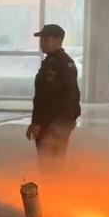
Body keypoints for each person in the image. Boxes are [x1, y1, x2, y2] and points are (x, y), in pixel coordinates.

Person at [26, 23, 81, 163]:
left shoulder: (58, 63)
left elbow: (49, 97)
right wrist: (71, 118)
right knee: (55, 160)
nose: (42, 43)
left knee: (49, 161)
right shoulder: (62, 62)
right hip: (59, 121)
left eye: (46, 39)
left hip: (53, 123)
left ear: (58, 40)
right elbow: (72, 92)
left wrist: (38, 122)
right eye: (41, 39)